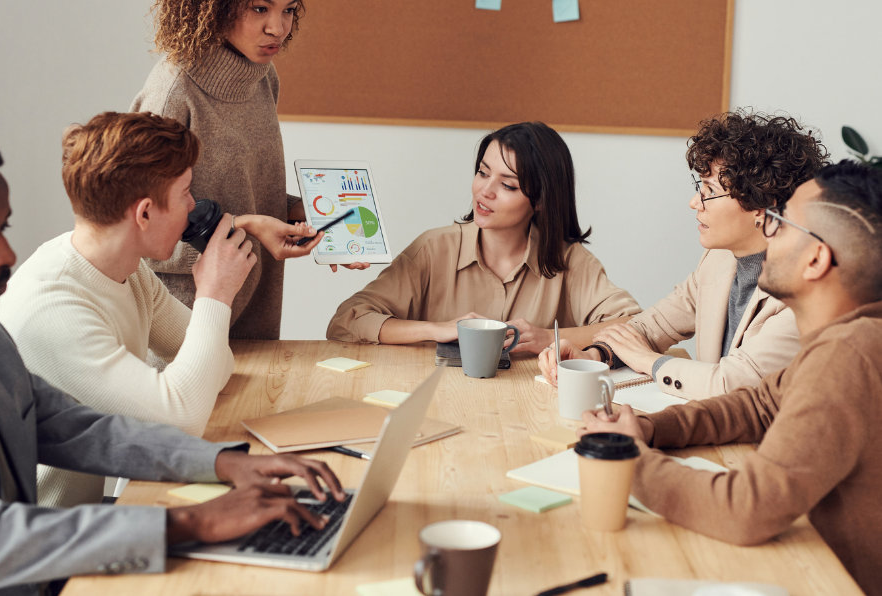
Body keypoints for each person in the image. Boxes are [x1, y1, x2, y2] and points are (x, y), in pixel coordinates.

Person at [0, 120, 344, 596]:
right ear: (145, 212)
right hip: (41, 572)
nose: (5, 254)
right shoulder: (43, 310)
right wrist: (192, 522)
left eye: (3, 229)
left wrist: (225, 463)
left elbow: (79, 427)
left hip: (57, 560)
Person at [582, 160, 882, 595]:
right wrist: (651, 427)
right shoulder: (851, 338)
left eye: (780, 222)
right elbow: (758, 404)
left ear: (817, 259)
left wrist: (628, 460)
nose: (767, 229)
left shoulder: (849, 354)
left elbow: (747, 509)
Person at [0, 111, 323, 508]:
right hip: (43, 543)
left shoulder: (128, 271)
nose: (194, 206)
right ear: (145, 213)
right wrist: (215, 294)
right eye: (185, 192)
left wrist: (212, 299)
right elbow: (181, 420)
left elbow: (219, 367)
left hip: (87, 517)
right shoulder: (54, 309)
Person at [131, 0, 364, 341]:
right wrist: (250, 228)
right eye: (260, 8)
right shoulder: (173, 92)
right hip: (182, 328)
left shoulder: (262, 78)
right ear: (214, 2)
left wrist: (316, 215)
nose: (278, 27)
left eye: (289, 9)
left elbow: (249, 192)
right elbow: (141, 231)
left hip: (255, 315)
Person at [539, 111, 827, 399]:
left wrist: (647, 361)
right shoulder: (718, 260)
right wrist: (595, 356)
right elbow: (653, 326)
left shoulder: (804, 292)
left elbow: (732, 382)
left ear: (762, 207)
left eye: (709, 191)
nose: (694, 203)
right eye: (698, 188)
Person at [327, 122, 640, 350]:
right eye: (482, 172)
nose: (484, 191)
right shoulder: (434, 249)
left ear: (541, 200)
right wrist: (439, 330)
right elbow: (347, 321)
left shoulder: (569, 261)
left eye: (508, 185)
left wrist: (552, 338)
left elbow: (636, 325)